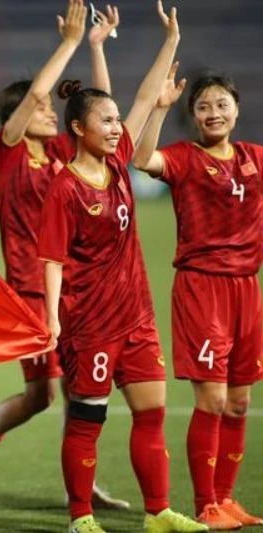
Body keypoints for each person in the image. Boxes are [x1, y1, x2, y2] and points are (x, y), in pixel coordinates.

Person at [37, 3, 208, 532]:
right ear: (78, 128)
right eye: (106, 121)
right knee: (87, 420)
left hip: (136, 316)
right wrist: (52, 319)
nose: (116, 128)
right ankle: (81, 517)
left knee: (152, 411)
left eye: (116, 121)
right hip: (89, 323)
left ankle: (158, 513)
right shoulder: (64, 188)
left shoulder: (116, 162)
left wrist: (171, 41)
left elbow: (143, 98)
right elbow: (52, 259)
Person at [0, 0, 127, 510]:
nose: (52, 111)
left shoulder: (59, 154)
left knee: (80, 392)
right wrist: (68, 42)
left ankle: (82, 485)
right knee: (41, 396)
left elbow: (101, 110)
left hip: (77, 290)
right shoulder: (7, 151)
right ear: (20, 117)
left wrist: (95, 47)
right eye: (45, 109)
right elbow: (33, 94)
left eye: (53, 107)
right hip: (31, 293)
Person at [132, 69, 263, 530]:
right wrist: (159, 108)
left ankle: (227, 499)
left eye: (222, 104)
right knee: (213, 398)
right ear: (193, 116)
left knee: (240, 402)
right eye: (204, 107)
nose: (214, 113)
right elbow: (140, 158)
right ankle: (207, 504)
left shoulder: (254, 158)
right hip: (202, 288)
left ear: (237, 110)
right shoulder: (185, 159)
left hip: (247, 289)